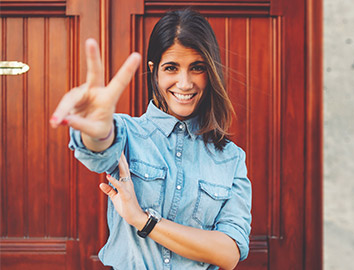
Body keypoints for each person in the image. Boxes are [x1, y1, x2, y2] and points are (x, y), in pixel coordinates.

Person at [49, 9, 252, 270]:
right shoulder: (127, 133)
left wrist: (144, 221)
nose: (185, 83)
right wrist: (96, 128)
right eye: (171, 68)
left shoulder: (231, 158)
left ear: (210, 72)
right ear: (153, 71)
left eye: (197, 68)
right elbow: (99, 147)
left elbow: (229, 253)